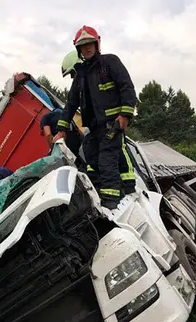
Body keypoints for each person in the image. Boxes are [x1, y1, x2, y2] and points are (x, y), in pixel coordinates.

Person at [53, 25, 137, 210]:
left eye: (90, 43)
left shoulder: (110, 62)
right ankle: (107, 190)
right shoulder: (81, 76)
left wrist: (125, 115)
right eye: (83, 46)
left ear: (97, 44)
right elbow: (71, 103)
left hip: (112, 124)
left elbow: (127, 87)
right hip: (94, 127)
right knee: (90, 153)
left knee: (107, 158)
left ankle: (111, 202)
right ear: (79, 49)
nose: (87, 48)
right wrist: (61, 130)